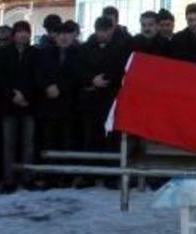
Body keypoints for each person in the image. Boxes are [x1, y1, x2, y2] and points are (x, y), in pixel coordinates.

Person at [75, 16, 130, 190]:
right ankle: (88, 174)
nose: (102, 35)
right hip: (91, 100)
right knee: (89, 138)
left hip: (110, 99)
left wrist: (105, 79)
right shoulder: (85, 48)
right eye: (100, 31)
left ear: (111, 30)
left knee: (110, 139)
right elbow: (78, 70)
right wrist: (92, 80)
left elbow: (121, 69)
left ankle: (111, 175)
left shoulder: (120, 48)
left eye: (106, 31)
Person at [0, 20, 39, 193]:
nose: (23, 35)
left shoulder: (35, 53)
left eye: (26, 32)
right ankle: (8, 180)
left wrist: (26, 96)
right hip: (8, 105)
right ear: (14, 34)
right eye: (19, 32)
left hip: (29, 105)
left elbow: (38, 77)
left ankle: (28, 178)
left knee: (28, 145)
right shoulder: (3, 53)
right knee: (8, 145)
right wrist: (13, 95)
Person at [35, 20, 82, 189]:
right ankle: (49, 175)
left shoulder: (78, 53)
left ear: (73, 36)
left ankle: (66, 175)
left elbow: (78, 77)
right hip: (48, 105)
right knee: (48, 141)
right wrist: (47, 86)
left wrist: (60, 88)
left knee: (67, 142)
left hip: (69, 106)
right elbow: (38, 73)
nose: (64, 38)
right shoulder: (45, 53)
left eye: (67, 34)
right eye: (60, 34)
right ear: (55, 36)